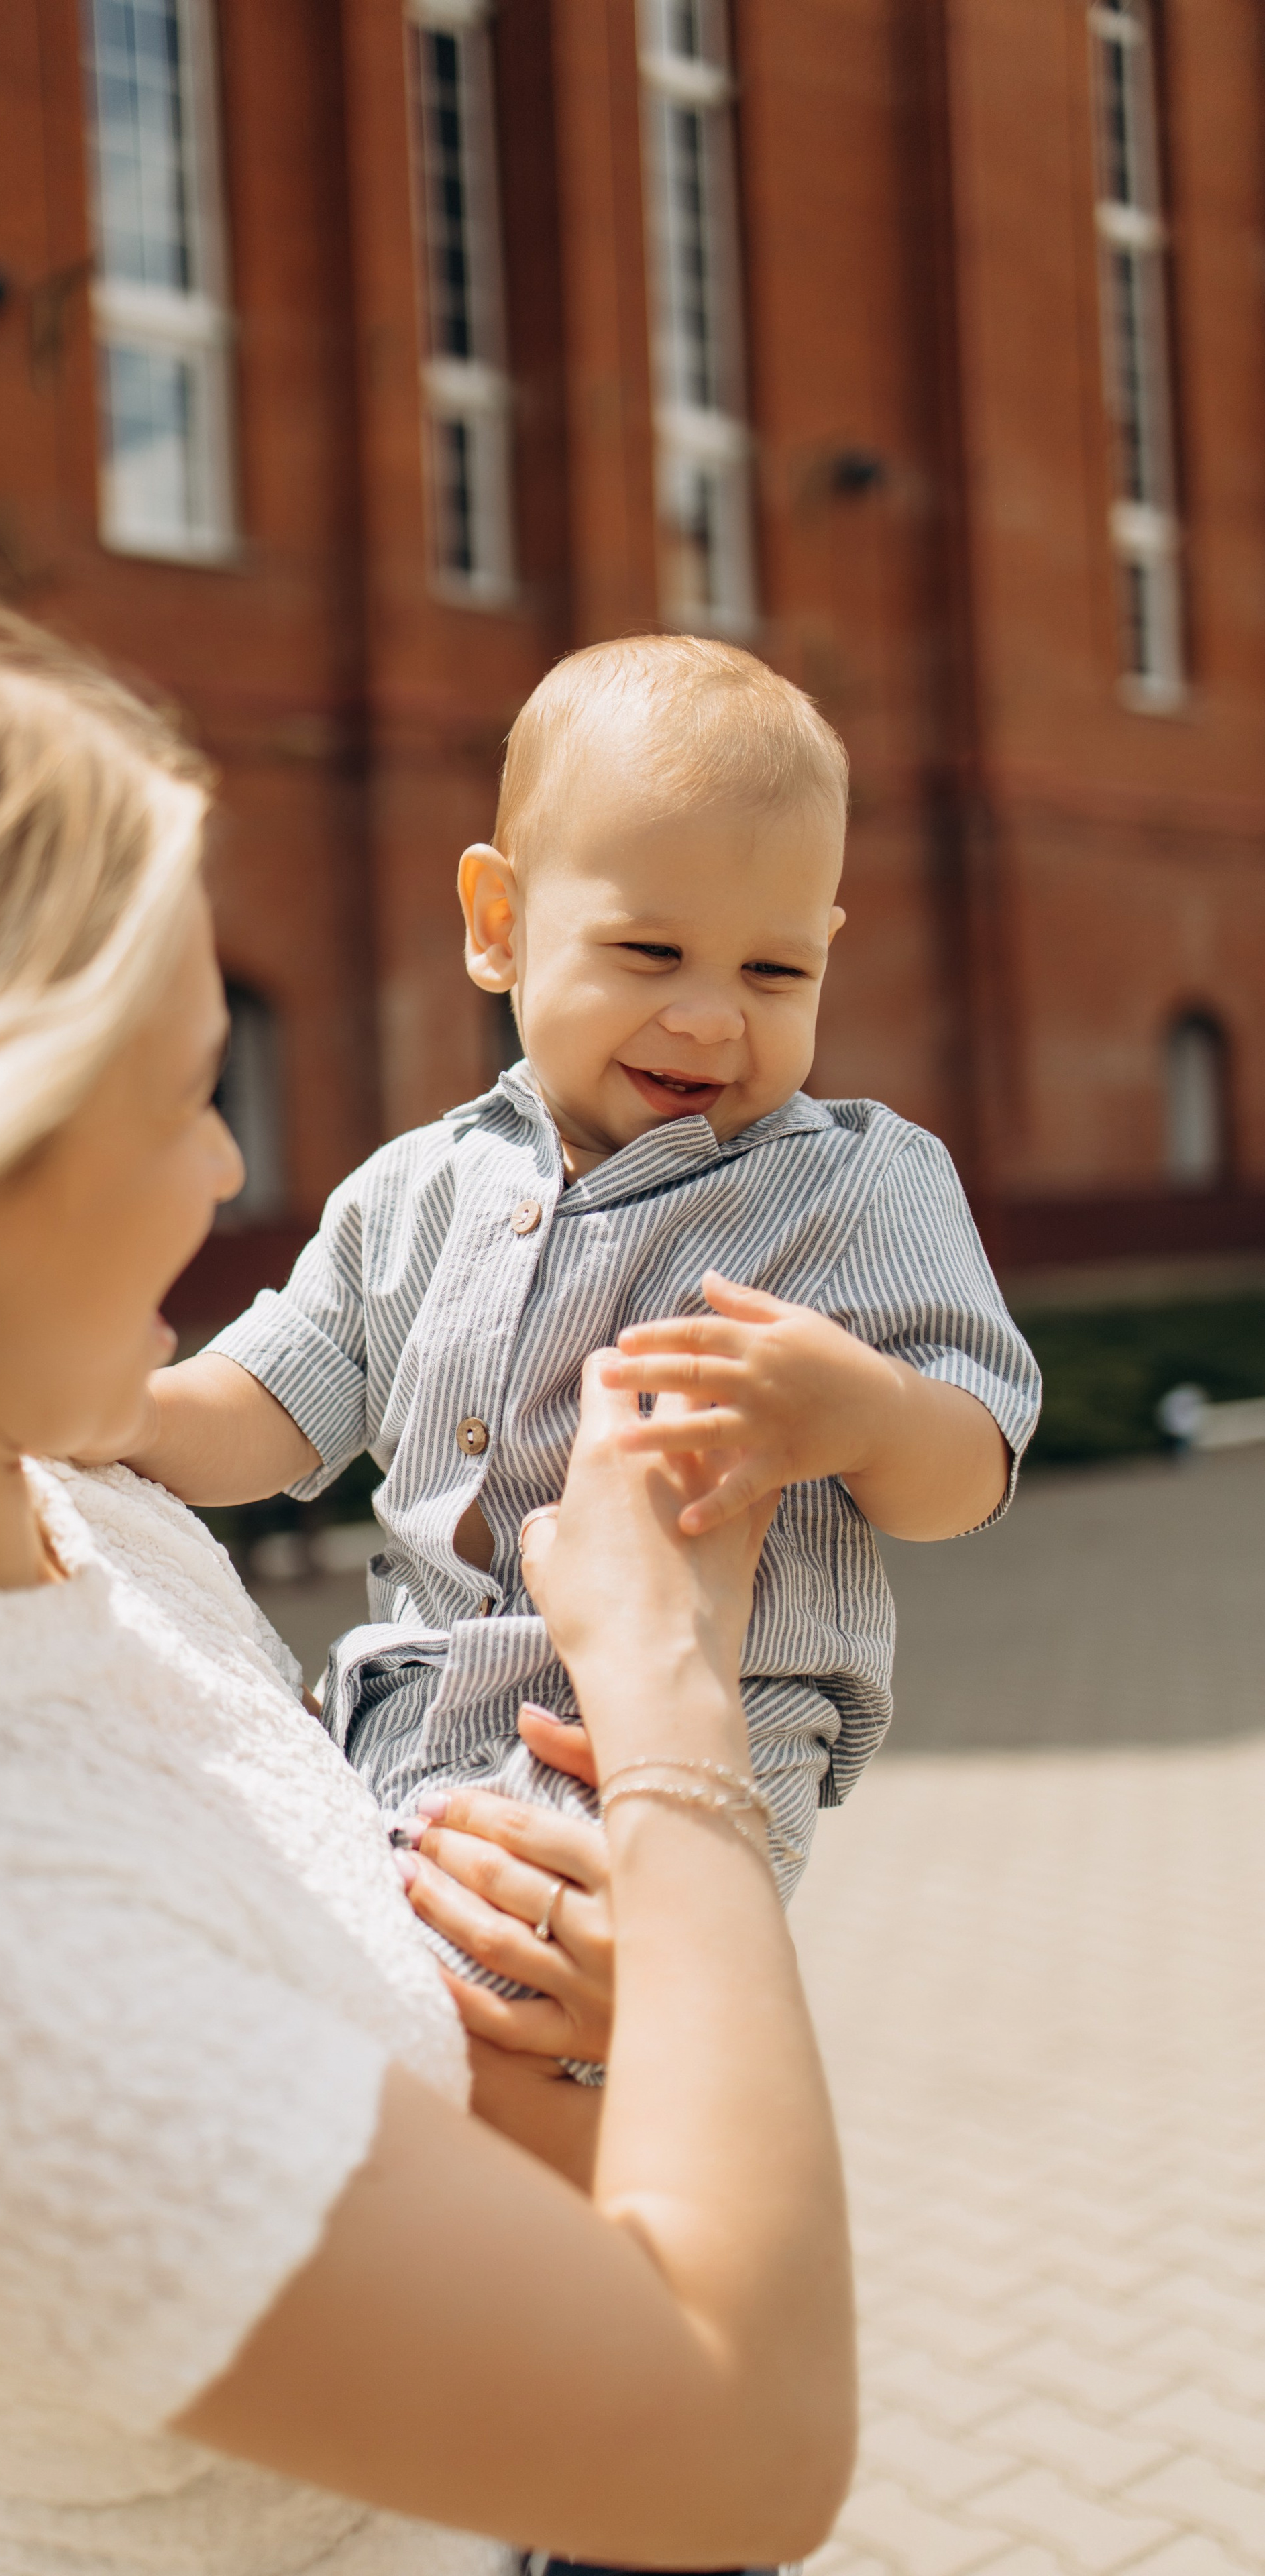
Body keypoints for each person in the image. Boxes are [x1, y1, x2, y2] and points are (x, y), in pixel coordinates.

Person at [0, 558, 853, 2576]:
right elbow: (743, 2457)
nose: (231, 1173)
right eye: (186, 1092)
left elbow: (392, 2145)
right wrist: (679, 1722)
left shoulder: (81, 1527)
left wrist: (599, 2027)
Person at [122, 637, 1042, 1991]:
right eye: (650, 951)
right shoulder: (415, 1188)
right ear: (498, 924)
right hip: (399, 1727)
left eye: (773, 975)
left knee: (523, 2019)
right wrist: (117, 1415)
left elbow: (965, 1471)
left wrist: (863, 1413)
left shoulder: (854, 1181)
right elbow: (270, 1399)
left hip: (671, 1749)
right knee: (311, 2015)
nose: (711, 1019)